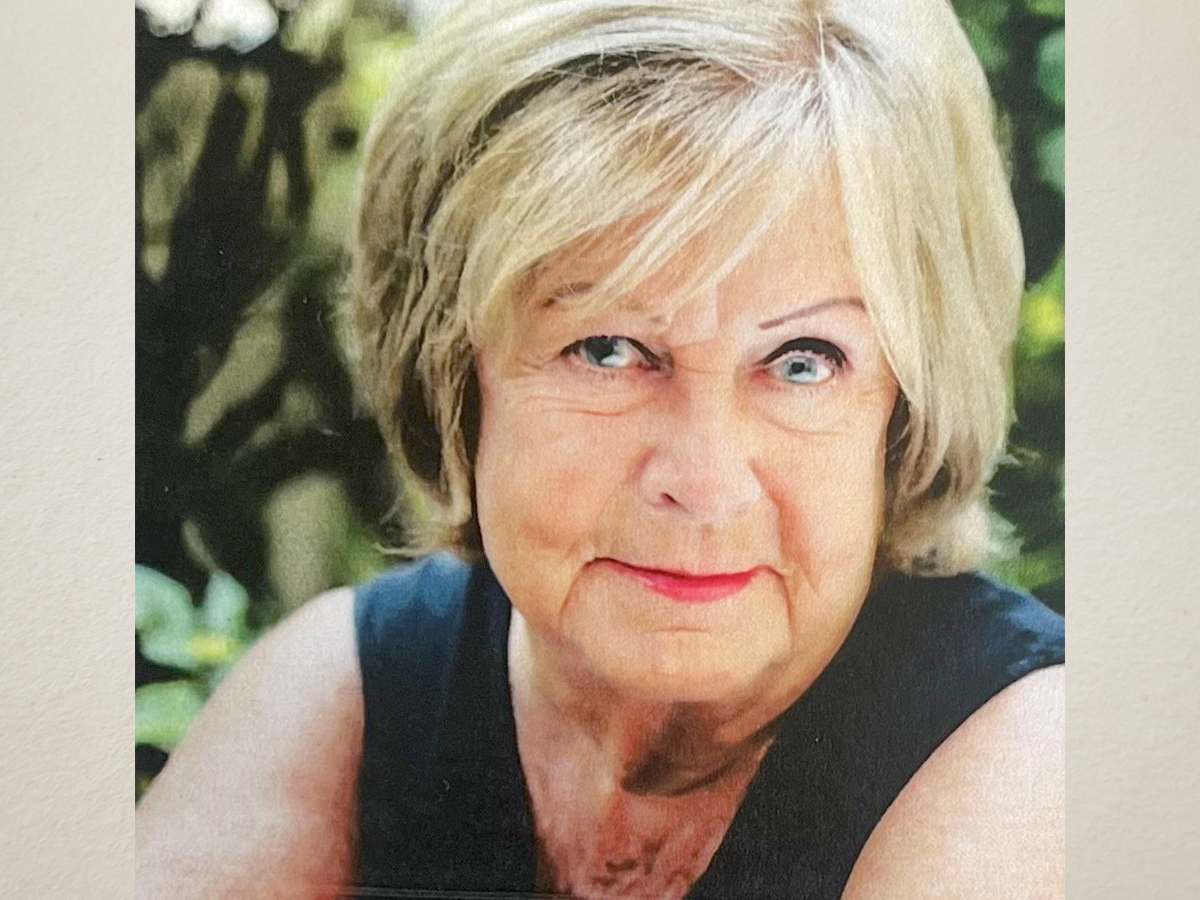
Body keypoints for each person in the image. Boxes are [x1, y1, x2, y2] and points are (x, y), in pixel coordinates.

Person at [135, 1, 1065, 898]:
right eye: (607, 350)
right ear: (454, 372)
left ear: (905, 408)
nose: (705, 483)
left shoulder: (1031, 758)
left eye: (803, 361)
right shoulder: (348, 689)